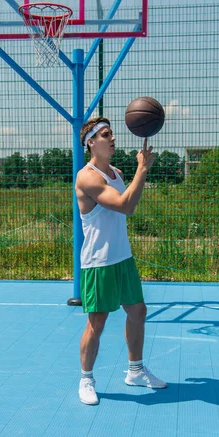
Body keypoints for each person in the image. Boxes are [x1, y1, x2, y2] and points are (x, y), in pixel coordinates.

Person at [75, 116, 167, 405]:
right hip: (98, 262)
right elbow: (126, 206)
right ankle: (86, 379)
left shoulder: (115, 172)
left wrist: (137, 172)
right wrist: (143, 169)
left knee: (138, 311)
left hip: (122, 258)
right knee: (97, 322)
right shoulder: (87, 177)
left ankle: (135, 371)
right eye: (105, 134)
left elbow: (128, 202)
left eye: (112, 133)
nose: (112, 138)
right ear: (91, 142)